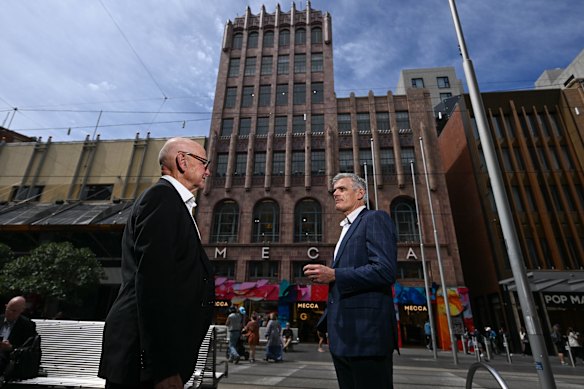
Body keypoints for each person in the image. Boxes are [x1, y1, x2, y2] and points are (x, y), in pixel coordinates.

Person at [98, 137, 215, 389]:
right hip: (142, 361)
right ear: (182, 161)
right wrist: (163, 368)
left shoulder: (174, 203)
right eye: (204, 162)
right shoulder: (162, 199)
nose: (208, 170)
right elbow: (154, 283)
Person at [303, 173, 398, 389]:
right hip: (344, 337)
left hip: (367, 337)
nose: (335, 193)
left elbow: (385, 270)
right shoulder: (346, 228)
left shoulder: (374, 219)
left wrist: (335, 275)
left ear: (360, 193)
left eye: (342, 189)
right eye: (334, 190)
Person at [0, 296, 38, 377]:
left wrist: (11, 347)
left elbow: (29, 348)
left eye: (14, 311)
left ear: (21, 311)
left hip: (11, 359)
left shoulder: (27, 325)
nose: (10, 312)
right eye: (8, 309)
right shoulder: (0, 319)